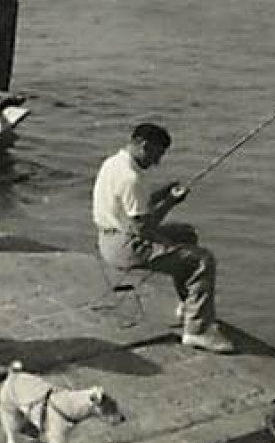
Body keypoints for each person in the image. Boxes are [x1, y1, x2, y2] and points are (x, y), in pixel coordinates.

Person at [92, 122, 234, 354]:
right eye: (156, 155)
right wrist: (171, 202)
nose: (157, 162)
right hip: (125, 246)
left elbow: (136, 205)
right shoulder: (131, 178)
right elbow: (144, 229)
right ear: (144, 145)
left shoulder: (114, 163)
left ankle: (189, 307)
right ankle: (197, 332)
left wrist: (165, 192)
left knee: (186, 235)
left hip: (109, 236)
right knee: (202, 260)